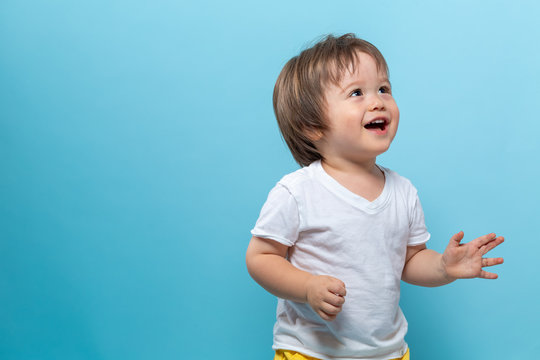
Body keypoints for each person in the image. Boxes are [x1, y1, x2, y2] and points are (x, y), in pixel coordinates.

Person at [245, 33, 504, 360]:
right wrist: (307, 288)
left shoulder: (403, 191)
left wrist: (442, 266)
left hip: (388, 352)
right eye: (356, 92)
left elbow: (409, 261)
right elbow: (260, 258)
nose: (377, 100)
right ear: (312, 125)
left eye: (383, 88)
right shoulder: (297, 192)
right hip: (311, 352)